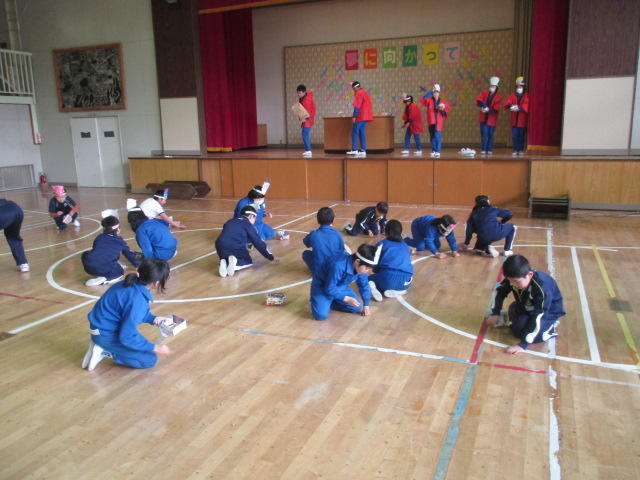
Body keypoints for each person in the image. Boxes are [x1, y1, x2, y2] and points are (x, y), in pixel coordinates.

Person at [81, 258, 174, 370]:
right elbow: (127, 336)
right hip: (105, 334)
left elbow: (130, 312)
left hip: (99, 328)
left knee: (142, 347)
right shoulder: (138, 301)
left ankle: (103, 344)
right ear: (157, 283)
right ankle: (106, 350)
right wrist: (155, 348)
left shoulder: (129, 283)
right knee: (149, 359)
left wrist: (153, 319)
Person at [485, 254, 565, 355]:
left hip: (547, 312)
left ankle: (550, 328)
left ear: (530, 275)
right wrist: (495, 313)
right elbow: (500, 292)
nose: (513, 284)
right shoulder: (515, 277)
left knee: (531, 336)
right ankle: (513, 318)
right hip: (527, 306)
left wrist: (523, 345)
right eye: (510, 281)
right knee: (518, 329)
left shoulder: (542, 287)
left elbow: (539, 314)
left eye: (516, 282)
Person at [310, 243, 379, 321]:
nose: (367, 271)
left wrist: (366, 304)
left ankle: (330, 301)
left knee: (357, 307)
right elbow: (329, 288)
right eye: (367, 268)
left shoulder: (361, 269)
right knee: (320, 316)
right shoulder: (338, 265)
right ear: (357, 261)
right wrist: (346, 298)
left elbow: (364, 285)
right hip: (323, 285)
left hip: (340, 285)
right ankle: (323, 301)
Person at [216, 205, 276, 277]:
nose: (255, 220)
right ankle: (235, 264)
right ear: (251, 216)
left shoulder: (230, 221)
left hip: (219, 245)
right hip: (234, 246)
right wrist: (271, 257)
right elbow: (258, 243)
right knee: (248, 262)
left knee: (228, 254)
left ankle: (224, 262)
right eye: (255, 217)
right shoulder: (248, 225)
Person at [82, 214, 141, 286]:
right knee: (120, 272)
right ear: (117, 229)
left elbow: (100, 252)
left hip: (88, 267)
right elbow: (128, 254)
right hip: (101, 266)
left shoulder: (99, 237)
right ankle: (105, 279)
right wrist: (137, 265)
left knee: (88, 254)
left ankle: (103, 272)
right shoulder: (119, 241)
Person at [369, 220, 414, 299]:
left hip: (387, 278)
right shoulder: (405, 245)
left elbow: (374, 264)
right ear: (400, 232)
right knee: (396, 283)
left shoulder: (381, 244)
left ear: (386, 231)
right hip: (406, 281)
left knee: (363, 279)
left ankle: (373, 289)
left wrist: (375, 272)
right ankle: (399, 291)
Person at [302, 206, 346, 273]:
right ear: (333, 220)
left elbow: (306, 243)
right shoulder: (337, 234)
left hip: (320, 270)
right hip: (335, 268)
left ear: (318, 220)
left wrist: (311, 234)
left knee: (305, 253)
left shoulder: (314, 234)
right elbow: (342, 250)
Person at [420, 83, 451, 158]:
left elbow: (446, 110)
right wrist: (430, 92)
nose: (435, 94)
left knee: (437, 137)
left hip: (438, 123)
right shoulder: (429, 101)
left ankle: (437, 151)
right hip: (431, 122)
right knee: (432, 137)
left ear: (439, 93)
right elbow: (423, 100)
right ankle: (434, 150)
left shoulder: (443, 102)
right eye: (434, 92)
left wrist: (442, 108)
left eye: (437, 92)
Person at [0, 198, 29, 272]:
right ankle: (23, 264)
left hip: (3, 214)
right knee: (13, 236)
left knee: (12, 236)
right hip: (16, 210)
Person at [346, 81, 373, 158]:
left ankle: (354, 149)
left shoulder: (359, 93)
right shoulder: (364, 92)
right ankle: (363, 150)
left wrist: (354, 116)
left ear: (356, 88)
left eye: (353, 89)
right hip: (366, 116)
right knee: (362, 132)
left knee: (354, 131)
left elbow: (357, 106)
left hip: (361, 116)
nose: (353, 90)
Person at [476, 76, 501, 155]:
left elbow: (496, 109)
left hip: (492, 119)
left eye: (494, 86)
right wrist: (484, 106)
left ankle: (489, 149)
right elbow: (479, 100)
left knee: (490, 135)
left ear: (496, 88)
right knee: (484, 134)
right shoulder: (484, 93)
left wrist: (488, 110)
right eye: (491, 86)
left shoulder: (498, 97)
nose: (492, 87)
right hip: (483, 118)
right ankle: (483, 149)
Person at [504, 76, 529, 156]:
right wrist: (511, 106)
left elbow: (526, 106)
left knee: (521, 136)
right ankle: (515, 150)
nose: (519, 88)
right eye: (518, 87)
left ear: (523, 88)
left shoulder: (526, 96)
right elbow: (507, 103)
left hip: (522, 120)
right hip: (514, 120)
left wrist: (518, 108)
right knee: (514, 135)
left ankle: (520, 150)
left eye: (520, 87)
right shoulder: (513, 95)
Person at [296, 84, 316, 157]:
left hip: (309, 117)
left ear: (304, 92)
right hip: (306, 116)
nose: (298, 94)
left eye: (300, 93)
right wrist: (311, 91)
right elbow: (310, 93)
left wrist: (304, 118)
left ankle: (308, 150)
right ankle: (308, 150)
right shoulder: (304, 96)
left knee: (305, 133)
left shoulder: (306, 100)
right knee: (304, 133)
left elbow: (308, 112)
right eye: (298, 93)